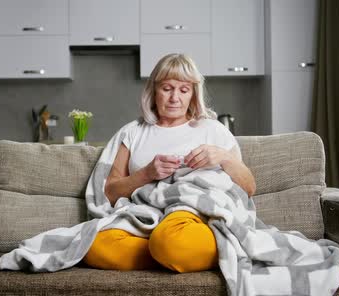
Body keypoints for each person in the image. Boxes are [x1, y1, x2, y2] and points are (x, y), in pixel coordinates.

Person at [83, 53, 257, 273]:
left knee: (173, 239)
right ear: (153, 90)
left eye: (184, 90)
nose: (175, 98)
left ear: (193, 94)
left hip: (191, 216)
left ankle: (174, 248)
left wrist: (224, 157)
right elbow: (109, 192)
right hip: (144, 219)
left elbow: (249, 188)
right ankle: (170, 252)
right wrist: (146, 174)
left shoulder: (213, 130)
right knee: (94, 245)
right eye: (167, 88)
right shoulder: (133, 133)